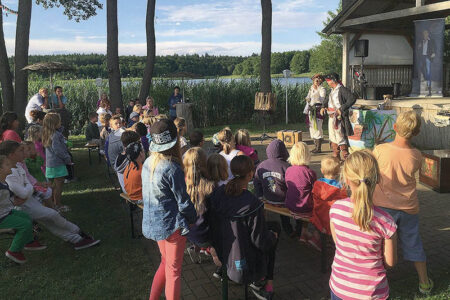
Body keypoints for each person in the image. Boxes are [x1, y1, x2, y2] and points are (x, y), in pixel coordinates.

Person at [372, 111, 433, 294]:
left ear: (395, 127)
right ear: (417, 132)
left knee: (379, 244)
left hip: (382, 207)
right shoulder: (416, 155)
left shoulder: (380, 150)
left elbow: (373, 173)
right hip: (408, 207)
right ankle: (424, 282)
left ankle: (378, 278)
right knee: (413, 242)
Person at [0, 141, 100, 251]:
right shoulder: (10, 172)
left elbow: (27, 184)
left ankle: (76, 238)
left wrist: (29, 186)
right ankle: (77, 233)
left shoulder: (18, 166)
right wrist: (29, 187)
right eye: (20, 150)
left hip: (28, 201)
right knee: (52, 215)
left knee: (50, 220)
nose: (24, 152)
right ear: (11, 155)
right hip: (24, 205)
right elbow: (22, 191)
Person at [209, 155, 279, 300]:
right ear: (250, 174)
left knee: (271, 230)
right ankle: (263, 282)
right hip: (245, 258)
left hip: (223, 248)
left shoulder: (218, 193)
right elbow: (259, 240)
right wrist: (272, 237)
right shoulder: (253, 204)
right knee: (272, 235)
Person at [329, 150, 397, 300]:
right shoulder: (386, 221)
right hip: (372, 292)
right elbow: (390, 262)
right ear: (377, 179)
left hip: (339, 287)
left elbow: (338, 243)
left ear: (346, 179)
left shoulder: (335, 209)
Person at [142, 119, 197, 300]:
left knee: (165, 263)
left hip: (156, 224)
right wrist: (192, 218)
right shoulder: (172, 168)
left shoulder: (148, 162)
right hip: (173, 226)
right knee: (173, 271)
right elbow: (184, 203)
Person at [0, 154, 47, 264]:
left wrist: (14, 201)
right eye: (7, 164)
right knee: (24, 224)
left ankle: (29, 241)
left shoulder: (3, 182)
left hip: (6, 212)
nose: (11, 166)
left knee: (26, 216)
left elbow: (7, 198)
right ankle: (14, 251)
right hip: (1, 217)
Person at [183, 147, 219, 266]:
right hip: (207, 235)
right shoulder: (210, 186)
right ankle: (221, 266)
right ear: (204, 163)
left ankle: (195, 249)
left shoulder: (182, 184)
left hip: (188, 232)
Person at [254, 139, 293, 236]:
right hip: (283, 201)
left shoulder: (261, 166)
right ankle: (288, 229)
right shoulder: (287, 166)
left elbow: (256, 181)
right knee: (285, 215)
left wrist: (259, 196)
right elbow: (291, 186)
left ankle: (264, 226)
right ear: (284, 152)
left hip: (267, 199)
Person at [308, 156, 347, 251]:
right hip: (331, 216)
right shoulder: (340, 188)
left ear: (321, 170)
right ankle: (330, 242)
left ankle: (317, 237)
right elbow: (344, 202)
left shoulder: (317, 184)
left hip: (318, 213)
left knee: (318, 220)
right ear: (338, 172)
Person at [285, 142, 317, 240]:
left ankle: (300, 229)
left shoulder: (288, 170)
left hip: (291, 205)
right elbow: (314, 190)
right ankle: (304, 230)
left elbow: (287, 185)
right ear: (307, 155)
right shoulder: (310, 173)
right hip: (305, 208)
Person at [321, 73, 356, 160]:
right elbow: (327, 100)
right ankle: (336, 155)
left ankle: (345, 155)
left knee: (340, 136)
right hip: (331, 116)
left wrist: (342, 108)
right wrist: (323, 107)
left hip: (339, 117)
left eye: (328, 81)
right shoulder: (332, 90)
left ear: (333, 81)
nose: (327, 83)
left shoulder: (342, 89)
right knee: (332, 136)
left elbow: (352, 98)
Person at [42, 113, 71, 211]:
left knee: (51, 186)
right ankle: (57, 205)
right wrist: (67, 158)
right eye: (59, 121)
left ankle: (50, 205)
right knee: (59, 186)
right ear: (54, 123)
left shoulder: (47, 134)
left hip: (50, 164)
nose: (61, 122)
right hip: (57, 164)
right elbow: (58, 150)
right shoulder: (56, 135)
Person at [304, 74, 326, 153]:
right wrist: (307, 99)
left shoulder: (322, 89)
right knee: (312, 128)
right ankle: (315, 146)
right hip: (311, 109)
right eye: (315, 80)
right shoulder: (311, 88)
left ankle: (318, 148)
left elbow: (321, 99)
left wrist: (316, 92)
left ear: (320, 81)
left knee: (318, 127)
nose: (316, 81)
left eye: (318, 80)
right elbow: (308, 97)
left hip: (318, 109)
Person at [105, 115, 126, 191]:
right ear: (111, 126)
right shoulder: (111, 137)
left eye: (120, 123)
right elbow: (107, 150)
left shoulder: (121, 133)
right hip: (118, 164)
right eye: (116, 124)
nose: (119, 125)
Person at [418, 30, 435, 96]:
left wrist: (433, 53)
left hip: (428, 57)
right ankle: (426, 78)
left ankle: (429, 88)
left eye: (426, 33)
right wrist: (419, 47)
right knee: (420, 68)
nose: (425, 34)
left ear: (428, 34)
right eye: (424, 33)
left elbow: (433, 48)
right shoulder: (422, 41)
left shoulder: (431, 41)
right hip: (422, 57)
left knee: (428, 71)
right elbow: (419, 48)